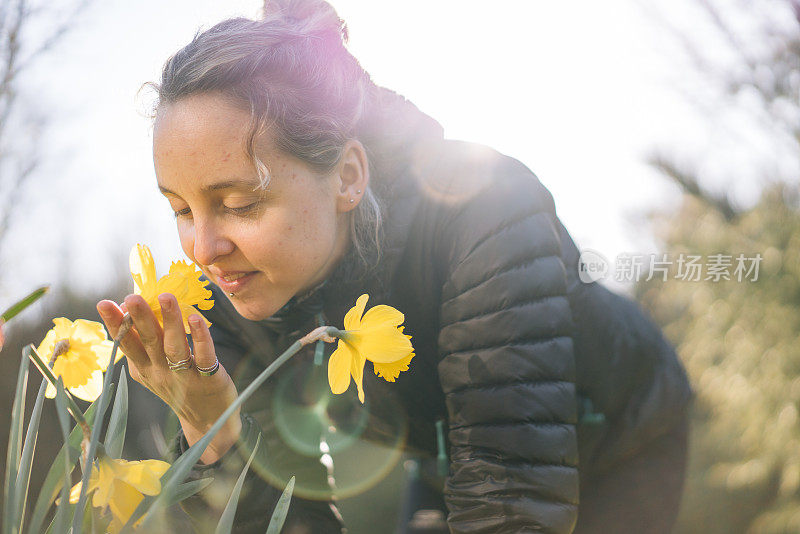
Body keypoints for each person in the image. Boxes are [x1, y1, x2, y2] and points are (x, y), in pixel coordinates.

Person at [96, 1, 693, 532]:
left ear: (348, 177)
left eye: (239, 205)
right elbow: (289, 517)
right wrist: (214, 434)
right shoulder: (219, 300)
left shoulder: (482, 215)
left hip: (621, 437)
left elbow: (513, 500)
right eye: (180, 209)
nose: (201, 249)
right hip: (447, 455)